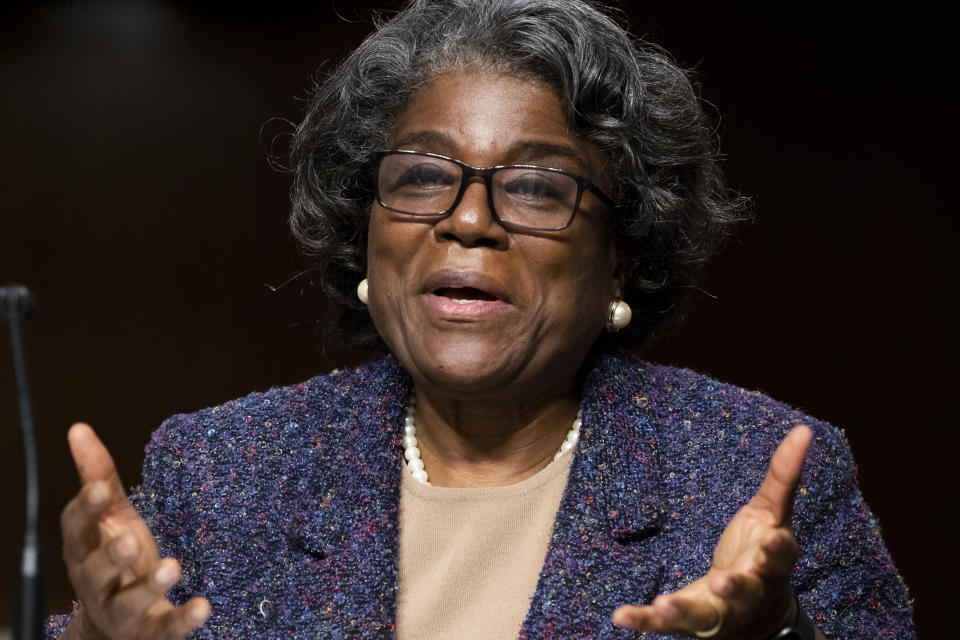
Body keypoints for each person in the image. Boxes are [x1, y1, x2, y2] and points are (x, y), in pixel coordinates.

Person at [47, 0, 915, 638]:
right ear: (366, 231)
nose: (468, 220)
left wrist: (780, 632)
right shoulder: (220, 470)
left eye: (537, 186)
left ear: (622, 251)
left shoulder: (754, 473)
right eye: (423, 177)